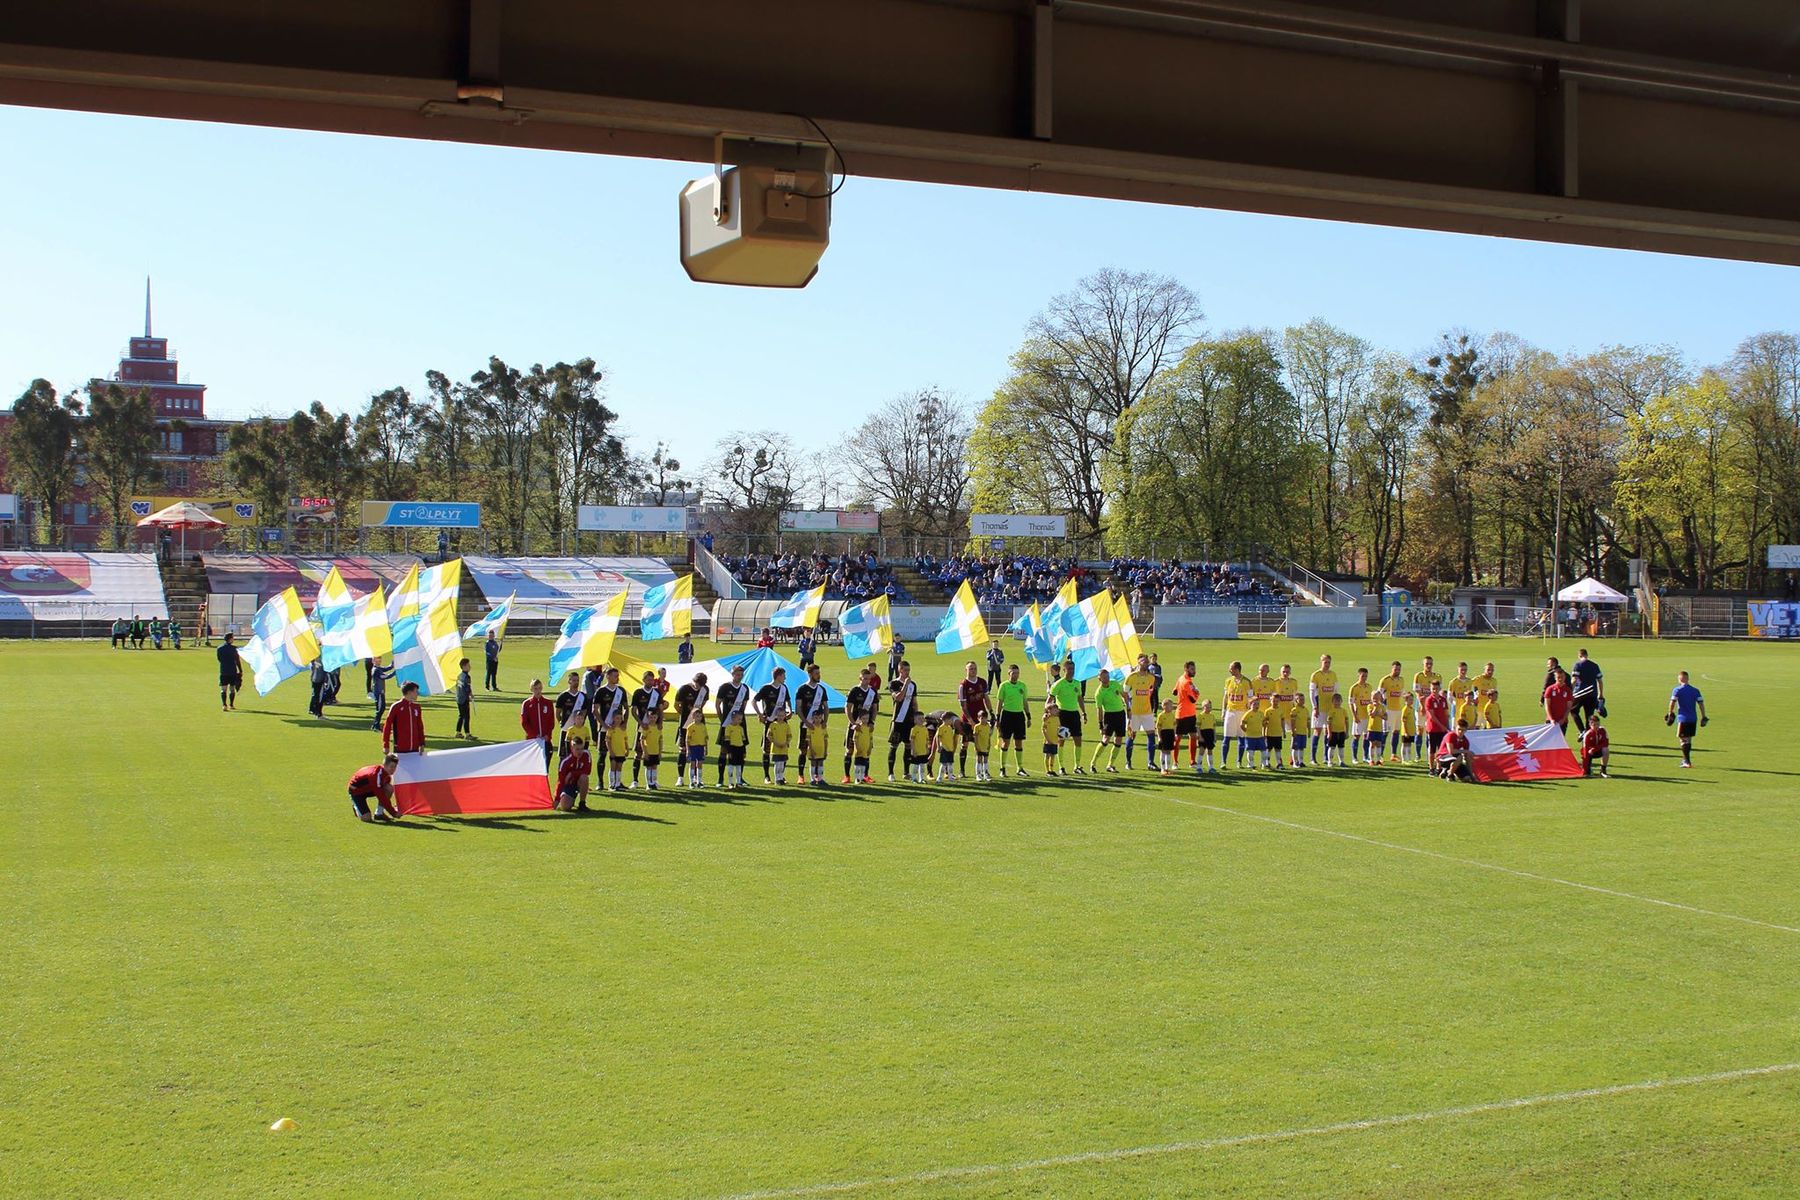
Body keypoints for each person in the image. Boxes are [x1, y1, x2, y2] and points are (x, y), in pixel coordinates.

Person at [755, 666, 796, 784]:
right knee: (767, 749)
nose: (785, 678)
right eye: (783, 676)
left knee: (784, 747)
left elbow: (788, 701)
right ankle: (767, 776)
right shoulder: (766, 688)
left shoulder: (784, 688)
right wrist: (759, 714)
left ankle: (781, 776)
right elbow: (754, 701)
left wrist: (789, 710)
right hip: (770, 721)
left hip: (782, 722)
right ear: (778, 676)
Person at [594, 667, 631, 791]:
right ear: (608, 677)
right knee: (602, 754)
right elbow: (595, 710)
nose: (617, 678)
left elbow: (626, 708)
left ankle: (617, 782)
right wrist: (603, 724)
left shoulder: (621, 691)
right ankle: (600, 782)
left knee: (619, 755)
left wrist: (624, 722)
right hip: (605, 729)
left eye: (618, 676)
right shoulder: (600, 691)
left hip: (617, 730)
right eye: (615, 676)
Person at [715, 665, 752, 787]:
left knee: (741, 750)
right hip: (726, 723)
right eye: (737, 674)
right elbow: (717, 704)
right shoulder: (725, 687)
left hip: (740, 724)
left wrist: (739, 720)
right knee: (724, 750)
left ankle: (740, 778)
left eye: (741, 675)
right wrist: (722, 719)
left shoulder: (745, 688)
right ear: (732, 674)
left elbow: (744, 706)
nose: (739, 677)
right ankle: (720, 779)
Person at [842, 668, 880, 784]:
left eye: (869, 679)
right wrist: (853, 723)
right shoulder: (854, 690)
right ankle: (847, 776)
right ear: (860, 678)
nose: (867, 681)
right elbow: (847, 708)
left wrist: (872, 722)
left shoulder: (872, 692)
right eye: (865, 679)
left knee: (866, 750)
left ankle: (864, 776)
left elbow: (874, 708)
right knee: (849, 750)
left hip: (866, 726)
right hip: (854, 725)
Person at [795, 663, 831, 785]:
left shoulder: (822, 689)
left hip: (818, 727)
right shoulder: (802, 689)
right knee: (804, 750)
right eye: (816, 673)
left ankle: (818, 777)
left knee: (818, 750)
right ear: (810, 674)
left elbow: (826, 707)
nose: (818, 675)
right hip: (806, 726)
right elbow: (798, 708)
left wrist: (825, 721)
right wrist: (806, 722)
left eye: (819, 673)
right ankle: (801, 776)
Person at [956, 661, 992, 777]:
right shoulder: (963, 685)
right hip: (968, 720)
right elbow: (963, 706)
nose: (973, 670)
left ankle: (982, 771)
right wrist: (970, 720)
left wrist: (991, 712)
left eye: (975, 668)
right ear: (966, 670)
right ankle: (962, 771)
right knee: (965, 744)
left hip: (981, 719)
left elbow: (986, 699)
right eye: (971, 668)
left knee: (981, 745)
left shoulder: (982, 682)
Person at [1048, 662, 1087, 771]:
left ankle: (1077, 766)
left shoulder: (1077, 683)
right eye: (1069, 669)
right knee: (1062, 740)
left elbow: (1080, 699)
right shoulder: (1058, 684)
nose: (1071, 671)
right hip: (1063, 714)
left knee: (1078, 740)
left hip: (1074, 714)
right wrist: (1049, 711)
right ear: (1064, 670)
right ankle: (1061, 766)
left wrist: (1083, 712)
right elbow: (1049, 700)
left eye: (1073, 668)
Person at [1123, 654, 1159, 771]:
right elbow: (1124, 693)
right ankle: (1128, 762)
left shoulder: (1151, 678)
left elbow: (1151, 692)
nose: (1145, 662)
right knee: (1131, 736)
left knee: (1151, 736)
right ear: (1138, 662)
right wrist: (1128, 708)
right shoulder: (1131, 677)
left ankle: (1151, 762)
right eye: (1143, 661)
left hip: (1147, 711)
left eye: (1146, 661)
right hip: (1134, 712)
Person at [886, 661, 920, 781]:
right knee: (894, 746)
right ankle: (891, 773)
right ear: (900, 670)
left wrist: (917, 717)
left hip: (909, 720)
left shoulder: (913, 685)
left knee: (908, 746)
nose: (907, 672)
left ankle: (906, 772)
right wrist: (905, 685)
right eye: (905, 670)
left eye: (909, 670)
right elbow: (899, 698)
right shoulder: (894, 683)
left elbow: (914, 702)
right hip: (898, 719)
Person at [994, 664, 1030, 777]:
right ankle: (1002, 768)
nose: (1015, 675)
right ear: (1009, 673)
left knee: (1019, 742)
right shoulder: (1004, 686)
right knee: (1005, 742)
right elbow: (999, 703)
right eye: (1013, 673)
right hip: (1007, 716)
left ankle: (1020, 768)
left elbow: (1025, 702)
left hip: (1019, 716)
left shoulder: (1022, 686)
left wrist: (1028, 716)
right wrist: (997, 718)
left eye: (1017, 673)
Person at [1089, 668, 1127, 773]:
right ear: (1099, 678)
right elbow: (1099, 710)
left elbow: (1124, 695)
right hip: (1109, 716)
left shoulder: (1114, 683)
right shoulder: (1099, 693)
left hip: (1120, 714)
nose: (1107, 679)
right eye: (1104, 677)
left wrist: (1128, 707)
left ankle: (1110, 765)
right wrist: (1100, 725)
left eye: (1107, 676)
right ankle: (1093, 763)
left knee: (1118, 740)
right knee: (1105, 740)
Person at [630, 671, 664, 788]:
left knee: (653, 752)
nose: (650, 682)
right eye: (648, 680)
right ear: (643, 680)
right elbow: (633, 711)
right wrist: (641, 723)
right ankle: (635, 780)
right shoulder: (638, 692)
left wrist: (660, 722)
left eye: (652, 680)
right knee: (638, 753)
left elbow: (660, 709)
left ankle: (652, 781)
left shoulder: (656, 692)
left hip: (654, 727)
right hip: (642, 726)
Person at [1666, 670, 1706, 768]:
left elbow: (1672, 702)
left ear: (1680, 679)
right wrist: (1703, 716)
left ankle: (1687, 762)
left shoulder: (1677, 690)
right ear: (1688, 679)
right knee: (1689, 739)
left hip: (1683, 718)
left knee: (1683, 740)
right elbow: (1701, 704)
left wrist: (1670, 713)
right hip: (1693, 718)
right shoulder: (1695, 690)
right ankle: (1685, 760)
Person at [347, 754, 402, 822]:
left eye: (395, 767)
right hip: (356, 792)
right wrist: (394, 813)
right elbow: (381, 796)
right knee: (367, 818)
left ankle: (379, 814)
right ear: (384, 765)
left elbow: (382, 793)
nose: (393, 769)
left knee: (389, 788)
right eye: (391, 766)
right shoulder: (375, 775)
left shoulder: (386, 775)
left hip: (369, 789)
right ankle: (356, 807)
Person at [1221, 661, 1252, 769]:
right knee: (1226, 737)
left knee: (1241, 738)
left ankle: (1239, 762)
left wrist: (1248, 712)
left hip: (1242, 712)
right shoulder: (1228, 681)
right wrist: (1223, 711)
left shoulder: (1247, 682)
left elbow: (1251, 698)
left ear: (1237, 669)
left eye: (1231, 668)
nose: (1229, 670)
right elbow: (1225, 697)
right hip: (1230, 711)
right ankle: (1223, 762)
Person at [521, 678, 557, 767]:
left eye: (539, 688)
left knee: (545, 768)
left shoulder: (548, 703)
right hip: (532, 742)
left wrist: (547, 735)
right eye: (535, 688)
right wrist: (535, 735)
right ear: (531, 689)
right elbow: (524, 723)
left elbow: (551, 721)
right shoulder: (526, 704)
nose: (538, 691)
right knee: (532, 767)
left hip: (546, 740)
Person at [382, 681, 425, 754]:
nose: (417, 694)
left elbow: (420, 726)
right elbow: (387, 726)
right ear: (409, 692)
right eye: (416, 691)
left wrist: (422, 743)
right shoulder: (396, 707)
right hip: (400, 748)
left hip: (415, 748)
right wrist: (386, 745)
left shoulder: (416, 707)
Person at [1378, 662, 1408, 763]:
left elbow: (1402, 693)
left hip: (1398, 709)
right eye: (1395, 669)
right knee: (1385, 732)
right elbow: (1379, 695)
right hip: (1388, 710)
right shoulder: (1385, 680)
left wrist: (1406, 696)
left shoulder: (1401, 680)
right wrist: (1382, 708)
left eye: (1399, 669)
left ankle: (1393, 754)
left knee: (1396, 731)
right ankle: (1380, 755)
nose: (1397, 671)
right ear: (1392, 669)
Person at [555, 733, 592, 811]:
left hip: (580, 782)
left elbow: (587, 771)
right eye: (577, 749)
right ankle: (570, 798)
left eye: (581, 748)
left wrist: (572, 773)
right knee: (565, 807)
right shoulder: (565, 762)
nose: (580, 751)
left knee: (584, 777)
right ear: (572, 748)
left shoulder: (586, 755)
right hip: (568, 785)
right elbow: (561, 781)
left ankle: (582, 804)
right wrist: (556, 799)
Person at [555, 672, 588, 760]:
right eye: (573, 680)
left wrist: (580, 722)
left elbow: (585, 711)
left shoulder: (583, 696)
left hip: (578, 731)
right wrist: (561, 723)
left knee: (578, 756)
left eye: (577, 680)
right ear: (569, 681)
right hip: (566, 729)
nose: (576, 682)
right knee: (564, 757)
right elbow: (558, 713)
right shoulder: (563, 696)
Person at [1174, 662, 1201, 768]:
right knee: (1179, 738)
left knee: (1192, 736)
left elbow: (1175, 691)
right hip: (1184, 714)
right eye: (1192, 669)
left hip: (1188, 713)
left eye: (1194, 669)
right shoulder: (1187, 682)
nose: (1194, 671)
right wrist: (1197, 693)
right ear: (1186, 669)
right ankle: (1177, 762)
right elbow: (1193, 699)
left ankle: (1190, 761)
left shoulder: (1181, 678)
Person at [1570, 648, 1604, 731]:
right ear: (1587, 655)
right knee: (1589, 716)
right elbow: (1600, 681)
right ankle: (1589, 734)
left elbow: (1574, 680)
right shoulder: (1595, 665)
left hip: (1580, 693)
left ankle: (1582, 731)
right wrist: (1601, 694)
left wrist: (1570, 691)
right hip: (1592, 694)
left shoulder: (1578, 665)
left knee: (1573, 710)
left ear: (1579, 655)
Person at [1421, 680, 1451, 769]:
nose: (1435, 691)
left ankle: (1439, 767)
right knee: (1432, 750)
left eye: (1436, 689)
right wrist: (1442, 726)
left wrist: (1446, 726)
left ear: (1439, 688)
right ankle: (1431, 768)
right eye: (1433, 689)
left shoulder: (1443, 700)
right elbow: (1432, 716)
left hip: (1442, 729)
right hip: (1433, 729)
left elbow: (1446, 714)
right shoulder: (1429, 700)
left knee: (1441, 749)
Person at [1346, 667, 1373, 764]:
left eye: (1366, 676)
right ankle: (1354, 757)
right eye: (1363, 676)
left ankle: (1365, 756)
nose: (1364, 678)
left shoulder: (1369, 687)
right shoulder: (1354, 688)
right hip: (1359, 716)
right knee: (1356, 736)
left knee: (1367, 736)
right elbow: (1350, 703)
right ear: (1358, 675)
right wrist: (1354, 716)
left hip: (1368, 716)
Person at [1542, 669, 1574, 736]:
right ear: (1555, 678)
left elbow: (1569, 707)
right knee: (1548, 741)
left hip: (1562, 722)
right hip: (1550, 721)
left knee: (1560, 742)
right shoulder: (1550, 689)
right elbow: (1547, 706)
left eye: (1562, 677)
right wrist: (1551, 719)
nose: (1560, 679)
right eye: (1558, 677)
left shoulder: (1568, 690)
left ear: (1565, 677)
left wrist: (1563, 719)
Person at [216, 633, 243, 712]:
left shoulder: (219, 648)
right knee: (232, 689)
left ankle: (224, 704)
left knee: (223, 689)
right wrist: (240, 670)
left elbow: (219, 659)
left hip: (223, 670)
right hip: (232, 671)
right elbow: (237, 660)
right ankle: (231, 704)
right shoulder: (234, 649)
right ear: (230, 639)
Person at [369, 659, 396, 730]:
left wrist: (393, 662)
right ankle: (376, 725)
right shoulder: (376, 670)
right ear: (373, 661)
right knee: (380, 709)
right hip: (378, 692)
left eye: (380, 659)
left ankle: (375, 725)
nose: (379, 661)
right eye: (377, 660)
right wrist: (395, 672)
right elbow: (385, 676)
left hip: (380, 691)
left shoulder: (378, 668)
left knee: (380, 708)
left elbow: (388, 668)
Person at [1155, 700, 1178, 776]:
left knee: (1168, 751)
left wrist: (1174, 734)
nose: (1172, 707)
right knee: (1163, 751)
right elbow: (1158, 727)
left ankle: (1167, 768)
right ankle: (1162, 768)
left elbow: (1174, 725)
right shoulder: (1161, 715)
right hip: (1164, 734)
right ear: (1164, 706)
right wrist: (1159, 737)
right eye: (1170, 706)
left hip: (1170, 733)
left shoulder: (1172, 715)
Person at [970, 709, 994, 782]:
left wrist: (989, 744)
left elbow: (989, 736)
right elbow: (975, 737)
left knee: (985, 760)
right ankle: (978, 775)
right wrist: (976, 746)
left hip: (985, 746)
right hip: (979, 746)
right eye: (981, 718)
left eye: (984, 718)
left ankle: (986, 774)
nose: (983, 720)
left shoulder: (988, 726)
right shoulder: (977, 727)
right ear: (978, 718)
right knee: (979, 760)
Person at [1325, 693, 1349, 766]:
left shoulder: (1344, 711)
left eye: (1339, 701)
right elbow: (1329, 723)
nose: (1337, 702)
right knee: (1332, 747)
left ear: (1341, 701)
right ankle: (1330, 761)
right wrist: (1329, 733)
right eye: (1335, 701)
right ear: (1332, 702)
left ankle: (1341, 761)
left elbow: (1347, 722)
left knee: (1341, 747)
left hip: (1341, 732)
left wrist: (1347, 732)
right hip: (1333, 732)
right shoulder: (1331, 711)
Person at [934, 715, 960, 781]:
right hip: (944, 748)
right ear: (945, 720)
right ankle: (939, 777)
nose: (951, 721)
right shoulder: (941, 728)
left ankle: (950, 776)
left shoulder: (950, 728)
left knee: (950, 763)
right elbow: (938, 737)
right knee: (943, 764)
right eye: (950, 720)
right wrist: (939, 747)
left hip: (950, 749)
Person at [453, 658, 474, 739]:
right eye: (468, 665)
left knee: (461, 716)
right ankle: (467, 734)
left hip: (459, 698)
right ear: (464, 666)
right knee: (466, 716)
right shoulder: (467, 677)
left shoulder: (459, 676)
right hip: (464, 699)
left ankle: (458, 732)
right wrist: (470, 695)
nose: (470, 667)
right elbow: (467, 688)